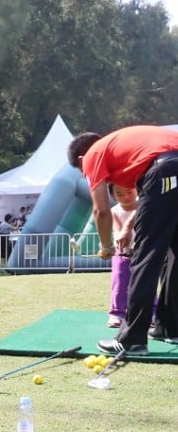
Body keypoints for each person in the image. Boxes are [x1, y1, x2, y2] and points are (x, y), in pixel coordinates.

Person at [68, 127, 178, 354]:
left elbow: (101, 211)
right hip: (169, 167)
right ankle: (170, 328)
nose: (87, 175)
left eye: (83, 171)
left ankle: (132, 339)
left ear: (82, 158)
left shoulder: (92, 154)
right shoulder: (126, 147)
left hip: (165, 170)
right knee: (174, 252)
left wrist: (106, 245)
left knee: (145, 256)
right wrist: (127, 226)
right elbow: (150, 198)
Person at [107, 184, 139, 328]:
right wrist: (126, 248)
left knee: (145, 282)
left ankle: (152, 313)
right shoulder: (114, 211)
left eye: (129, 192)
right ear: (113, 195)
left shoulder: (144, 206)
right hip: (121, 252)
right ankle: (116, 314)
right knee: (119, 283)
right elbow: (119, 232)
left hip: (140, 251)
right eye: (119, 194)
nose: (125, 197)